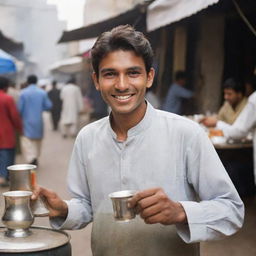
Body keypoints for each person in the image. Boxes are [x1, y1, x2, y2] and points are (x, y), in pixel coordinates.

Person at [33, 25, 244, 255]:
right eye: (110, 73)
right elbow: (87, 205)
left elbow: (231, 210)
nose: (122, 85)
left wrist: (180, 212)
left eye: (133, 73)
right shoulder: (88, 138)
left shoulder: (186, 134)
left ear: (149, 77)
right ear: (96, 80)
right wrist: (63, 209)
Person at [203, 75, 256, 185]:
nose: (226, 97)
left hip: (243, 151)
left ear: (240, 94)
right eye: (225, 94)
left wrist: (217, 123)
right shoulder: (227, 105)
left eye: (229, 94)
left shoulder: (249, 104)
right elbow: (219, 118)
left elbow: (238, 130)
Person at [18, 75, 52, 166]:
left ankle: (31, 158)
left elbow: (19, 109)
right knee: (37, 141)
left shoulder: (22, 93)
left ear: (28, 82)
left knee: (26, 140)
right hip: (38, 121)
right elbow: (49, 106)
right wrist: (40, 108)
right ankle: (35, 156)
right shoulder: (42, 93)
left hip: (26, 121)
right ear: (36, 82)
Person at [0, 76, 22, 186]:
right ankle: (4, 176)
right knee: (7, 154)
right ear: (6, 87)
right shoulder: (7, 99)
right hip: (6, 131)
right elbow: (15, 116)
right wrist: (20, 128)